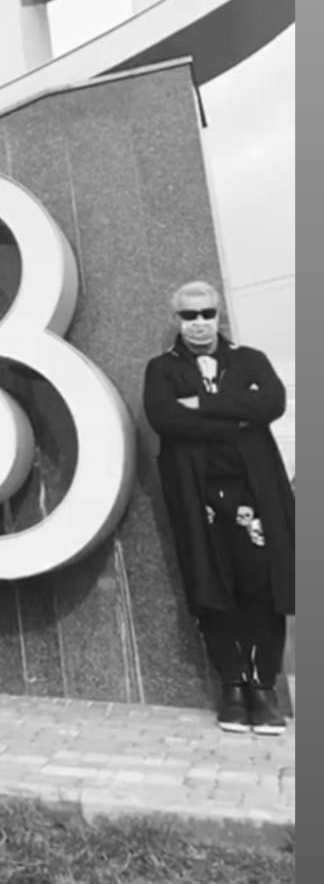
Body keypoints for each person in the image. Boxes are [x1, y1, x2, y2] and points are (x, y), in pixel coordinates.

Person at [143, 280, 293, 735]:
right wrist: (239, 418)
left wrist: (202, 405)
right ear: (177, 319)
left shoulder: (251, 360)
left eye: (207, 313)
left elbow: (272, 403)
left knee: (264, 587)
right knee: (212, 589)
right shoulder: (161, 369)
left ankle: (263, 688)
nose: (199, 323)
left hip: (256, 495)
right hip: (199, 498)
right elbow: (165, 418)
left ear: (218, 314)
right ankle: (233, 687)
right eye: (189, 315)